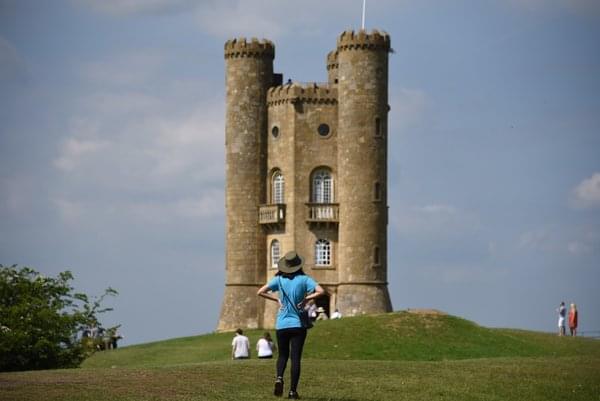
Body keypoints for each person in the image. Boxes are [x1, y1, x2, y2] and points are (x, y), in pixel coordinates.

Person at [257, 251, 325, 399]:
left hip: (281, 324)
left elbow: (260, 292)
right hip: (298, 325)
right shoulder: (304, 279)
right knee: (295, 358)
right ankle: (293, 392)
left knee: (282, 356)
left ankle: (279, 377)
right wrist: (307, 298)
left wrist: (276, 300)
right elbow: (321, 291)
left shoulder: (279, 280)